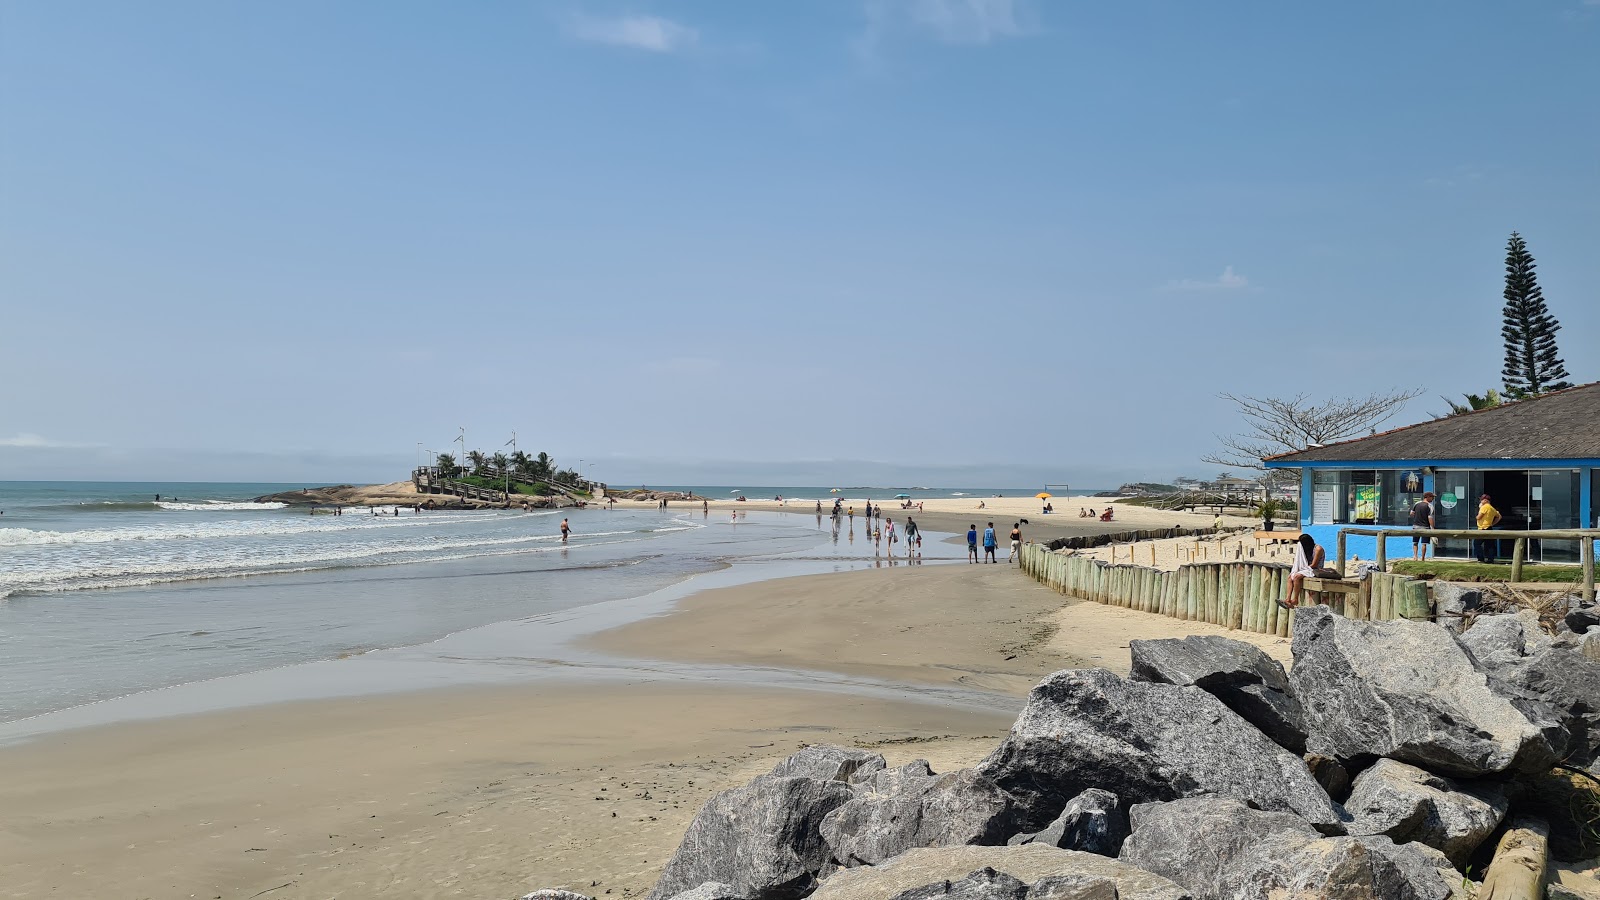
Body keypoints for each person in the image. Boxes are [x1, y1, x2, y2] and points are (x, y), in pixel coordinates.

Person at [1280, 532, 1326, 610]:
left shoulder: (1318, 549)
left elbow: (1314, 564)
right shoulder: (1305, 550)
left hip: (1316, 569)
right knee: (1290, 577)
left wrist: (1303, 569)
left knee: (1297, 577)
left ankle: (1295, 599)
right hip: (1308, 568)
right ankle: (1287, 599)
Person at [1475, 494, 1502, 564]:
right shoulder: (1492, 508)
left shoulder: (1484, 507)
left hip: (1482, 528)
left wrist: (1479, 509)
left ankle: (1480, 558)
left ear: (1485, 500)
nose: (1480, 501)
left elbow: (1478, 517)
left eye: (1481, 499)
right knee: (1490, 544)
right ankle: (1490, 559)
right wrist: (1492, 523)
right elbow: (1499, 516)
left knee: (1477, 544)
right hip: (1489, 527)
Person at [1410, 491, 1437, 560]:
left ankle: (1415, 556)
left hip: (1415, 526)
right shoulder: (1430, 506)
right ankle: (1422, 558)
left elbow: (1412, 513)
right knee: (1424, 543)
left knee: (1415, 542)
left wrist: (1416, 517)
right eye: (1432, 497)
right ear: (1427, 497)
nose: (1433, 499)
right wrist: (1432, 528)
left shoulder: (1417, 504)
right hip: (1425, 527)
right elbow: (1430, 518)